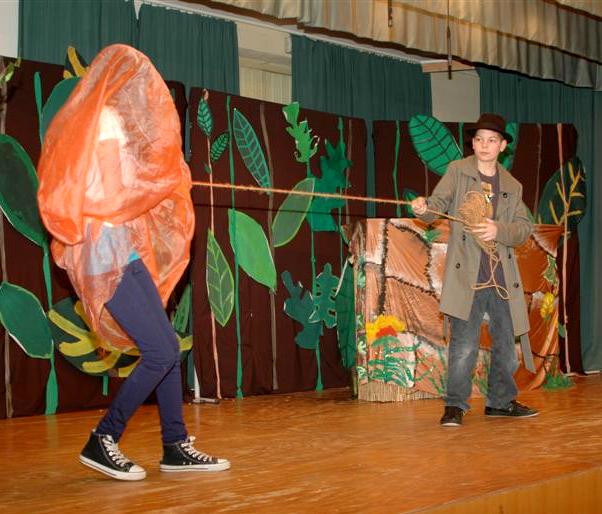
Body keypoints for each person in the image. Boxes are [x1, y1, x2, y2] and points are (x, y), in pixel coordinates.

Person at [37, 45, 230, 480]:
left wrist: (165, 180)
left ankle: (175, 446)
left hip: (117, 249)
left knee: (167, 347)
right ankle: (103, 437)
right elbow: (112, 197)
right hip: (105, 253)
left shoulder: (96, 119)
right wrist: (164, 183)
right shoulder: (103, 121)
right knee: (161, 351)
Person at [411, 113, 538, 427]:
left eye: (492, 140)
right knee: (464, 347)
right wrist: (423, 209)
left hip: (502, 279)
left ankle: (500, 403)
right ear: (473, 143)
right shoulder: (458, 171)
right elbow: (436, 205)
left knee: (506, 348)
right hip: (467, 277)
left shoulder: (513, 185)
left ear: (503, 146)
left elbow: (524, 228)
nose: (484, 145)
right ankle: (455, 406)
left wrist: (499, 230)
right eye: (480, 139)